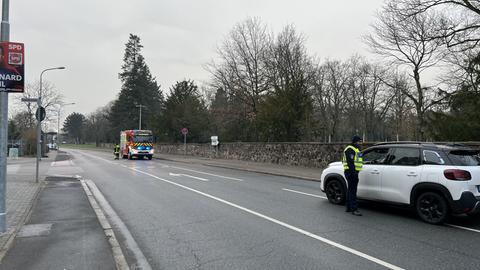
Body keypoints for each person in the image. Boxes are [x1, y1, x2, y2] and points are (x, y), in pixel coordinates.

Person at [342, 135, 364, 216]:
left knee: (350, 190)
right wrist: (354, 173)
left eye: (361, 141)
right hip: (351, 172)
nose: (360, 143)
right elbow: (350, 163)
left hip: (352, 172)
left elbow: (357, 160)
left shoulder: (356, 149)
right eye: (359, 141)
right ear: (355, 142)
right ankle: (354, 209)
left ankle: (348, 207)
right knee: (353, 191)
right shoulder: (350, 149)